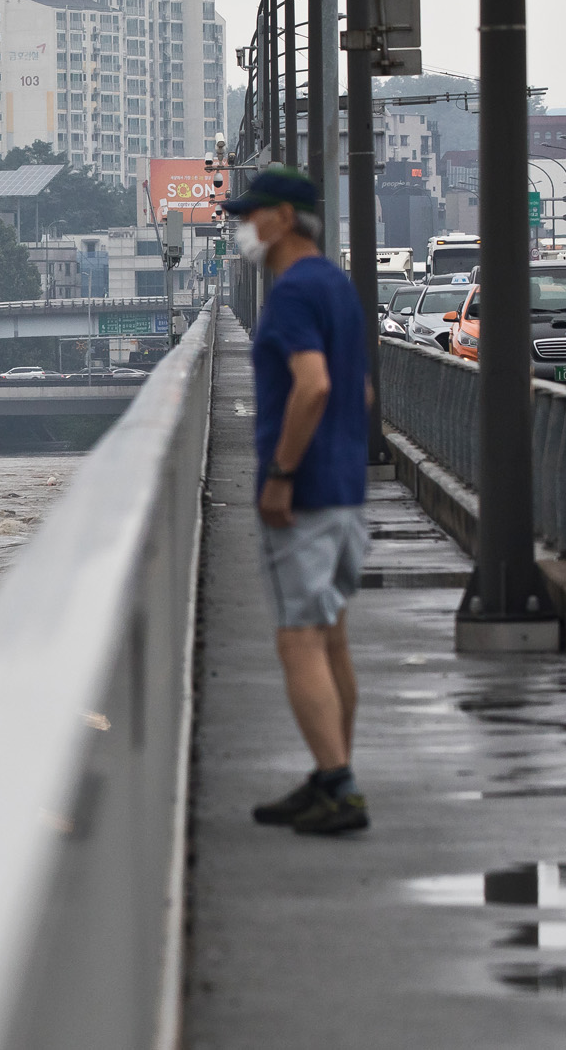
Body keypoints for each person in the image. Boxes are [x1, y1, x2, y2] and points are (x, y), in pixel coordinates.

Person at [222, 166, 372, 835]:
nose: (244, 228)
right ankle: (330, 773)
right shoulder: (337, 286)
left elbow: (310, 386)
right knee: (331, 634)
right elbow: (357, 394)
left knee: (298, 639)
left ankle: (338, 786)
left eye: (252, 216)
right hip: (344, 488)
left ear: (284, 218)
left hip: (305, 495)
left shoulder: (290, 295)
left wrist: (281, 472)